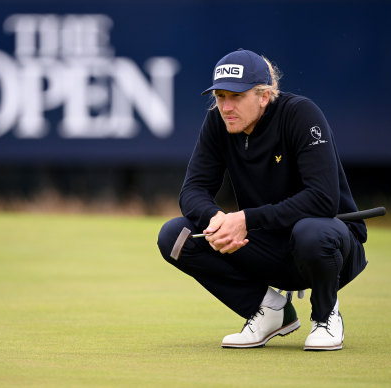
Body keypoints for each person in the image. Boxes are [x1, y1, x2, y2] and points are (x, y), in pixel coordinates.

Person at [157, 49, 368, 351]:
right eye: (220, 96)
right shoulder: (219, 122)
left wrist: (245, 220)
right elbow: (192, 190)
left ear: (264, 96)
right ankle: (269, 311)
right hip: (264, 246)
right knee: (175, 236)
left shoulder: (301, 114)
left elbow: (323, 199)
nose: (226, 107)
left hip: (330, 247)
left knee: (310, 232)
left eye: (236, 96)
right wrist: (216, 220)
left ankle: (326, 315)